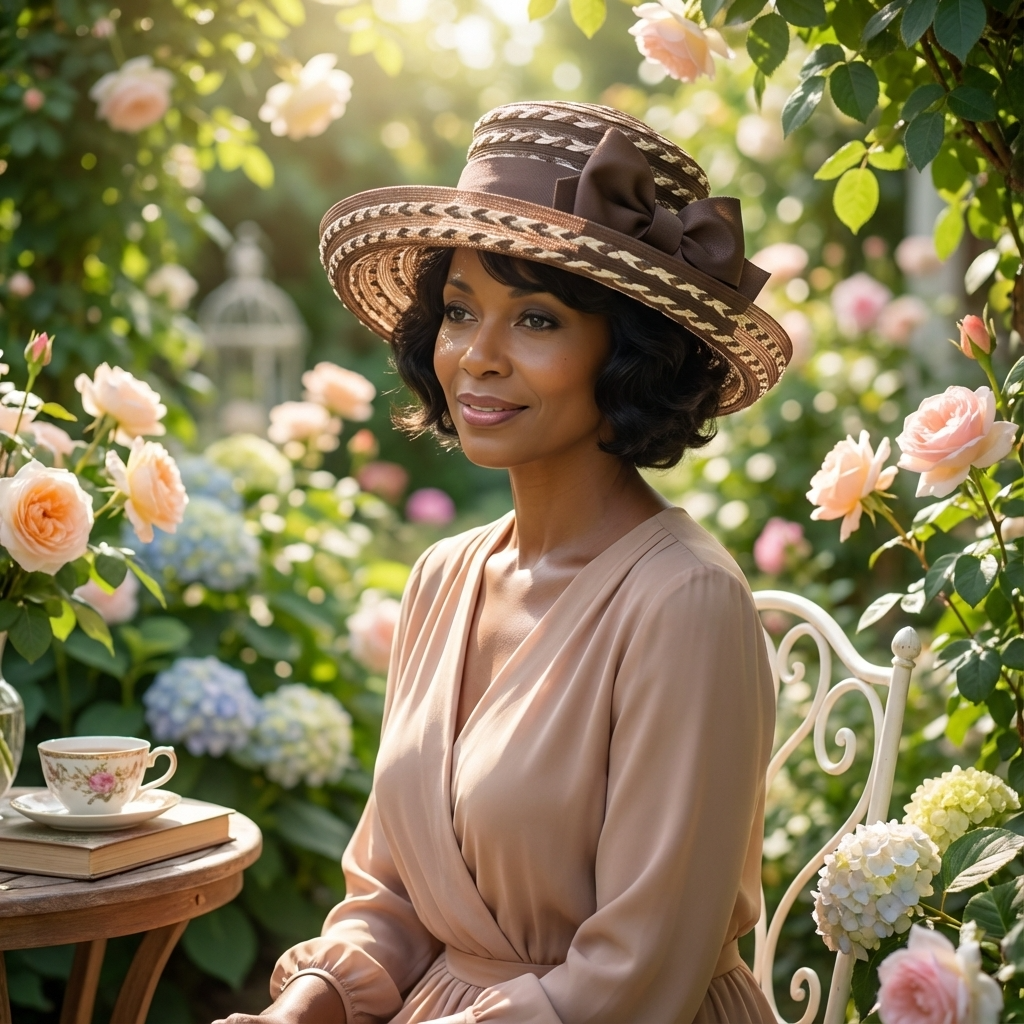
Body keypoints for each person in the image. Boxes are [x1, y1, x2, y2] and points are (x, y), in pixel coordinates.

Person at [215, 100, 792, 1024]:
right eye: (457, 311)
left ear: (629, 353)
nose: (477, 357)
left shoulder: (686, 601)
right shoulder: (443, 576)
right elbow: (394, 895)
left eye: (536, 319)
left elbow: (636, 975)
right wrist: (309, 1004)